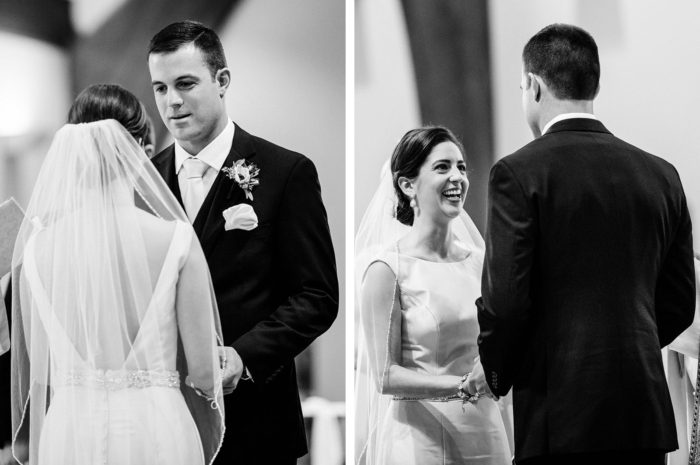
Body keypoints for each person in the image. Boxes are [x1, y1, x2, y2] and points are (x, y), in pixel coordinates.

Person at [476, 23, 696, 465]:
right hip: (642, 416)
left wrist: (498, 372)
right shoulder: (661, 175)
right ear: (594, 83)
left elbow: (507, 304)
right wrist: (629, 347)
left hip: (560, 417)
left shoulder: (518, 174)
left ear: (534, 86)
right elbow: (679, 302)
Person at [147, 21, 338, 464]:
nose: (172, 101)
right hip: (165, 423)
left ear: (222, 80)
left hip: (257, 422)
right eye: (160, 88)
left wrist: (244, 356)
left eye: (185, 84)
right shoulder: (144, 181)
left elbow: (317, 296)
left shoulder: (285, 172)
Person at [10, 84, 225, 465]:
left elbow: (40, 372)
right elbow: (205, 373)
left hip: (71, 431)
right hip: (154, 427)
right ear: (140, 150)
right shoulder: (175, 239)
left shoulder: (36, 249)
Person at [355, 126, 511, 465]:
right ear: (407, 185)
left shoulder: (482, 263)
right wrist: (464, 385)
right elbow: (385, 375)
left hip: (486, 431)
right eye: (442, 167)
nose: (457, 177)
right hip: (422, 438)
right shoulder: (387, 269)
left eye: (461, 167)